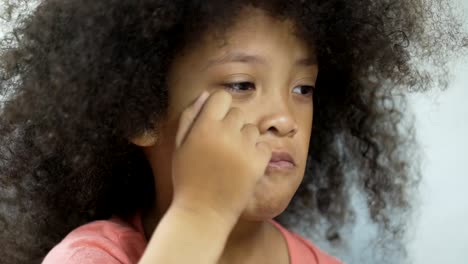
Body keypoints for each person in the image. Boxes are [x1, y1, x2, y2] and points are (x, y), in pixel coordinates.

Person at [0, 0, 464, 263]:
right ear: (142, 112)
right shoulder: (91, 257)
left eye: (303, 88)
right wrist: (202, 210)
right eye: (242, 84)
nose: (284, 117)